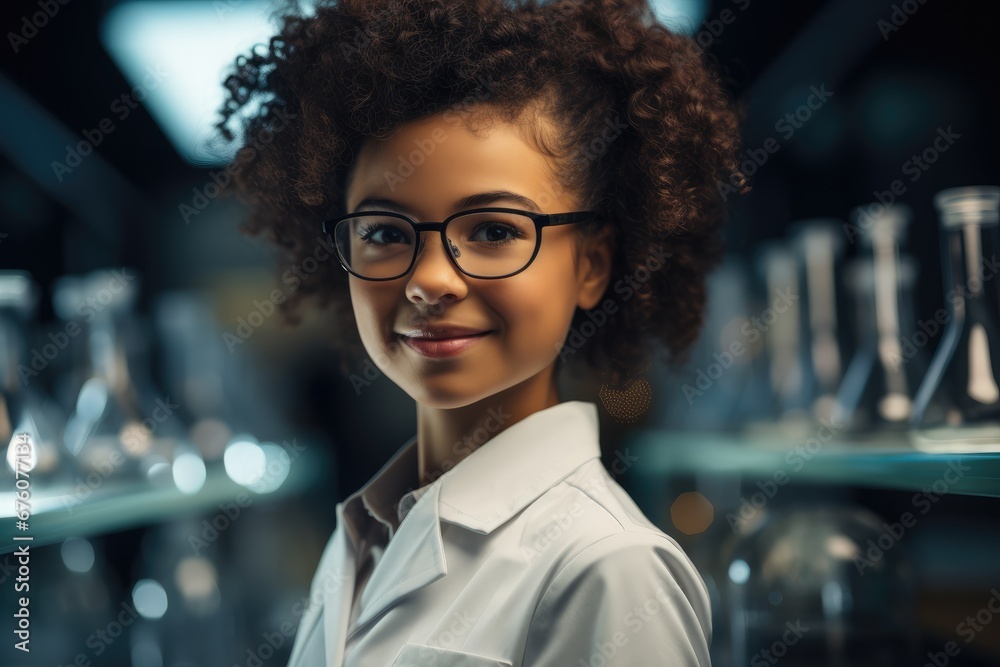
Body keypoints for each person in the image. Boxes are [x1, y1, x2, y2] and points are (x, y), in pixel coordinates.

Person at [215, 0, 745, 664]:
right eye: (383, 232)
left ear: (592, 264)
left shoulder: (607, 567)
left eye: (494, 230)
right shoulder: (362, 535)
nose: (429, 280)